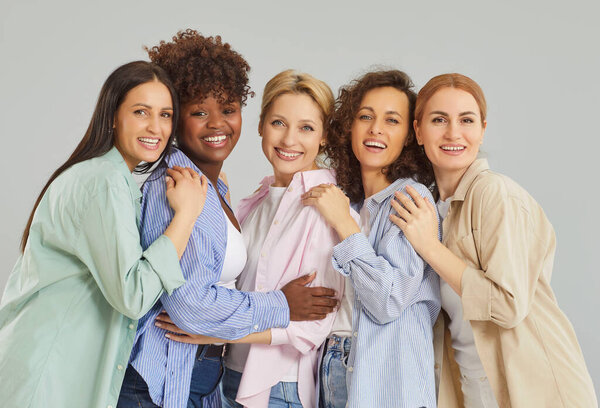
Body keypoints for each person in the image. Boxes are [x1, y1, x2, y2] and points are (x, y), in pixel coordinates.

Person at [117, 32, 338, 408]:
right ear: (174, 118)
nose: (217, 124)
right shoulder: (174, 183)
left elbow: (319, 315)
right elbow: (189, 306)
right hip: (162, 378)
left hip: (205, 376)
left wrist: (219, 335)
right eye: (199, 112)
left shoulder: (218, 190)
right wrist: (281, 304)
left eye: (228, 109)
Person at [0, 60, 208, 408]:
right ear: (113, 116)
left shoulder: (110, 179)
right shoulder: (103, 181)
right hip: (47, 378)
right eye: (141, 112)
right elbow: (133, 294)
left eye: (166, 115)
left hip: (54, 372)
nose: (156, 127)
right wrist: (186, 215)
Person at [389, 73, 598, 407]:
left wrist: (430, 247)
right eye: (439, 119)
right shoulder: (432, 209)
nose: (453, 132)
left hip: (534, 389)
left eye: (466, 120)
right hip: (474, 386)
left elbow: (507, 305)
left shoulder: (493, 193)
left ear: (482, 129)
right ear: (418, 131)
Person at [303, 70, 441, 407]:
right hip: (333, 363)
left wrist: (344, 225)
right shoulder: (348, 203)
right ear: (349, 126)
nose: (376, 128)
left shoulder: (411, 198)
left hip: (387, 379)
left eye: (392, 120)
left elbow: (387, 301)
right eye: (366, 116)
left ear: (410, 135)